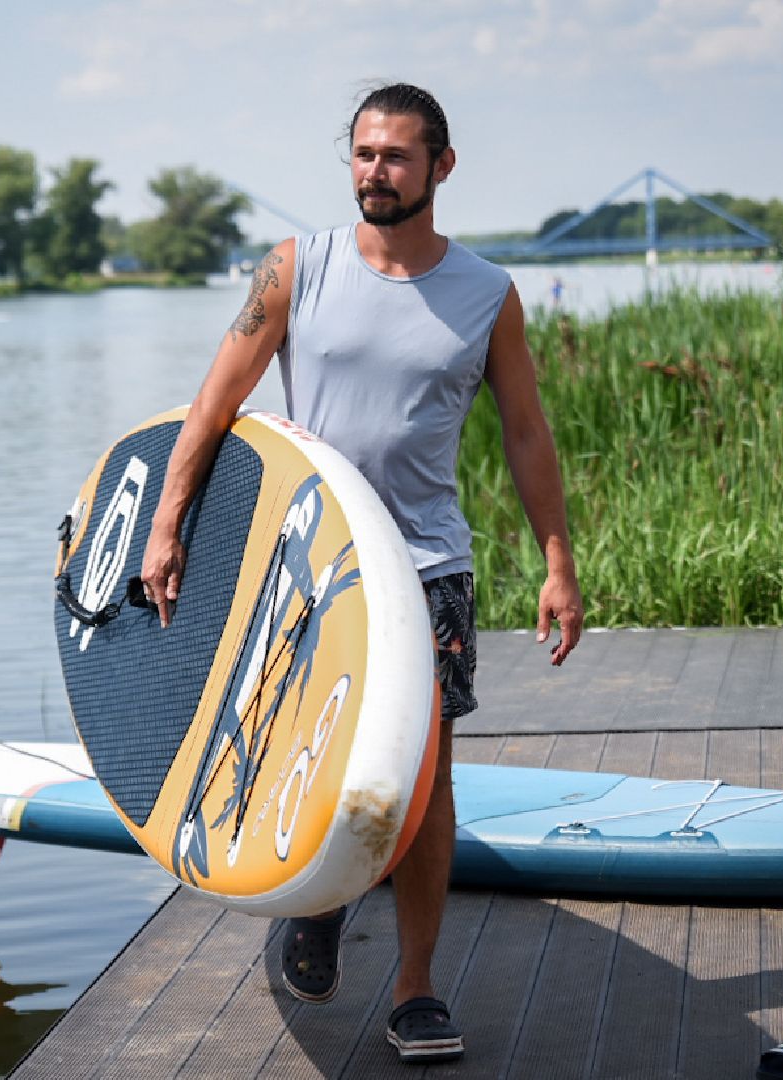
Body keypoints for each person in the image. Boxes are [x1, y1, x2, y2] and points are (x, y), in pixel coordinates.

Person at [137, 83, 584, 1066]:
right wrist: (165, 522)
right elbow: (214, 403)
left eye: (395, 156)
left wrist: (557, 559)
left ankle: (417, 989)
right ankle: (319, 903)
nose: (374, 171)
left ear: (440, 168)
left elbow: (524, 434)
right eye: (363, 154)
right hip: (302, 560)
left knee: (423, 786)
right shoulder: (296, 267)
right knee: (299, 750)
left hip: (427, 570)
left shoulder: (488, 295)